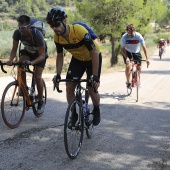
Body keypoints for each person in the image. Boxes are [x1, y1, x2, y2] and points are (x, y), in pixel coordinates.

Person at [46, 7, 102, 126]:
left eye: (56, 24)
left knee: (91, 88)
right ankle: (74, 113)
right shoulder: (57, 37)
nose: (54, 28)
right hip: (78, 60)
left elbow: (94, 52)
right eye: (51, 25)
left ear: (64, 21)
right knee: (69, 86)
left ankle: (96, 109)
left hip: (93, 58)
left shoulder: (79, 30)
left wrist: (95, 76)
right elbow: (60, 56)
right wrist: (58, 74)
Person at [6, 15, 48, 114]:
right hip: (28, 52)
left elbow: (42, 55)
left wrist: (32, 63)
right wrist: (10, 60)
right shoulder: (17, 33)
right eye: (19, 27)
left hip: (40, 55)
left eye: (23, 28)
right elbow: (14, 49)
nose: (21, 30)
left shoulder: (37, 34)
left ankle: (41, 102)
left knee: (38, 77)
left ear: (29, 26)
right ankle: (23, 88)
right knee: (20, 63)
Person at [120, 24, 149, 88]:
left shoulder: (138, 36)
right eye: (128, 33)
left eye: (131, 33)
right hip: (127, 52)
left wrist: (147, 58)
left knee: (139, 67)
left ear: (134, 31)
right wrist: (127, 58)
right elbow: (122, 49)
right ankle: (128, 82)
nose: (130, 35)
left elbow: (144, 47)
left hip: (136, 52)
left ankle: (137, 78)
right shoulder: (124, 37)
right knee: (128, 65)